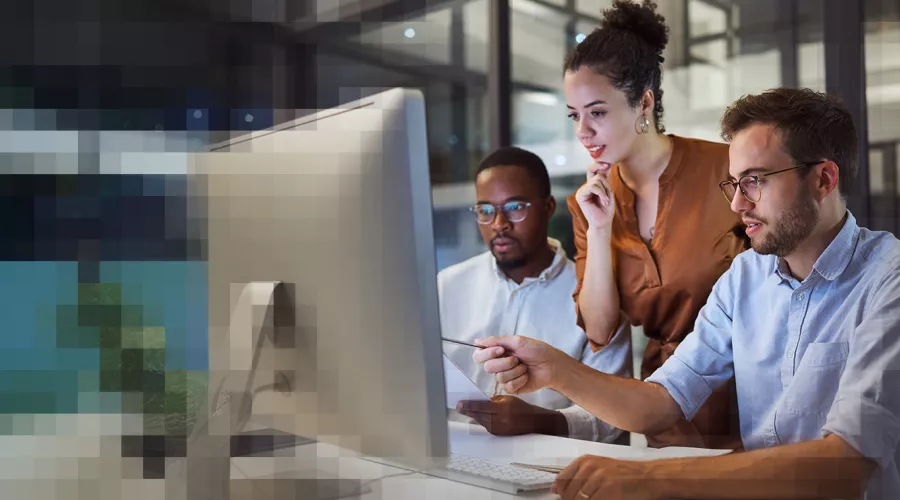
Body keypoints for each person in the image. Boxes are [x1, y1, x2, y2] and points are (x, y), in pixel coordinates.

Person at [474, 87, 900, 499]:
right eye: (733, 183)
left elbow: (847, 463)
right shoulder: (745, 276)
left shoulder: (888, 279)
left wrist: (654, 478)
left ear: (823, 179)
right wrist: (553, 369)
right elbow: (662, 402)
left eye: (754, 181)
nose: (737, 204)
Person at [563, 0, 747, 449]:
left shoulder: (727, 167)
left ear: (644, 101)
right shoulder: (588, 204)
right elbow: (602, 330)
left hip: (750, 395)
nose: (583, 132)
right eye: (574, 115)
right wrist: (602, 229)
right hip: (663, 407)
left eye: (597, 112)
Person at [439, 146, 632, 443]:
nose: (499, 224)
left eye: (515, 207)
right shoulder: (448, 286)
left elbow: (616, 416)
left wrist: (542, 421)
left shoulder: (594, 297)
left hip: (552, 466)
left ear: (548, 207)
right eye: (486, 211)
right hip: (455, 455)